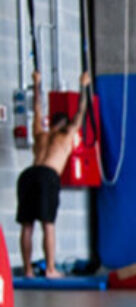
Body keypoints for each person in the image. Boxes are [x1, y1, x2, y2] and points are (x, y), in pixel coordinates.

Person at [16, 70, 91, 279]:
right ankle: (50, 269)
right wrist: (83, 85)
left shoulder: (40, 133)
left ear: (51, 123)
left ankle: (28, 271)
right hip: (47, 175)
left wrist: (36, 83)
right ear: (65, 124)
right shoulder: (67, 134)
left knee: (27, 225)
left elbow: (37, 108)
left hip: (28, 175)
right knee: (48, 224)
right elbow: (81, 112)